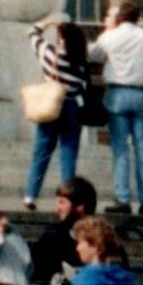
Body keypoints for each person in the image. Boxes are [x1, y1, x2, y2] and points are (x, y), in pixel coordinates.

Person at [89, 2, 143, 214]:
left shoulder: (110, 36)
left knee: (120, 150)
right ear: (137, 18)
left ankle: (123, 198)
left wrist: (108, 31)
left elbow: (94, 56)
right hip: (140, 93)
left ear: (119, 17)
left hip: (117, 92)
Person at [25, 15, 91, 208]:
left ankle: (31, 195)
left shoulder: (49, 53)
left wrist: (47, 23)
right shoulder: (81, 61)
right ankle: (68, 198)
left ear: (62, 39)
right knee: (68, 154)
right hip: (72, 107)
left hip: (51, 104)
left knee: (42, 152)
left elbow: (32, 33)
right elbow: (83, 89)